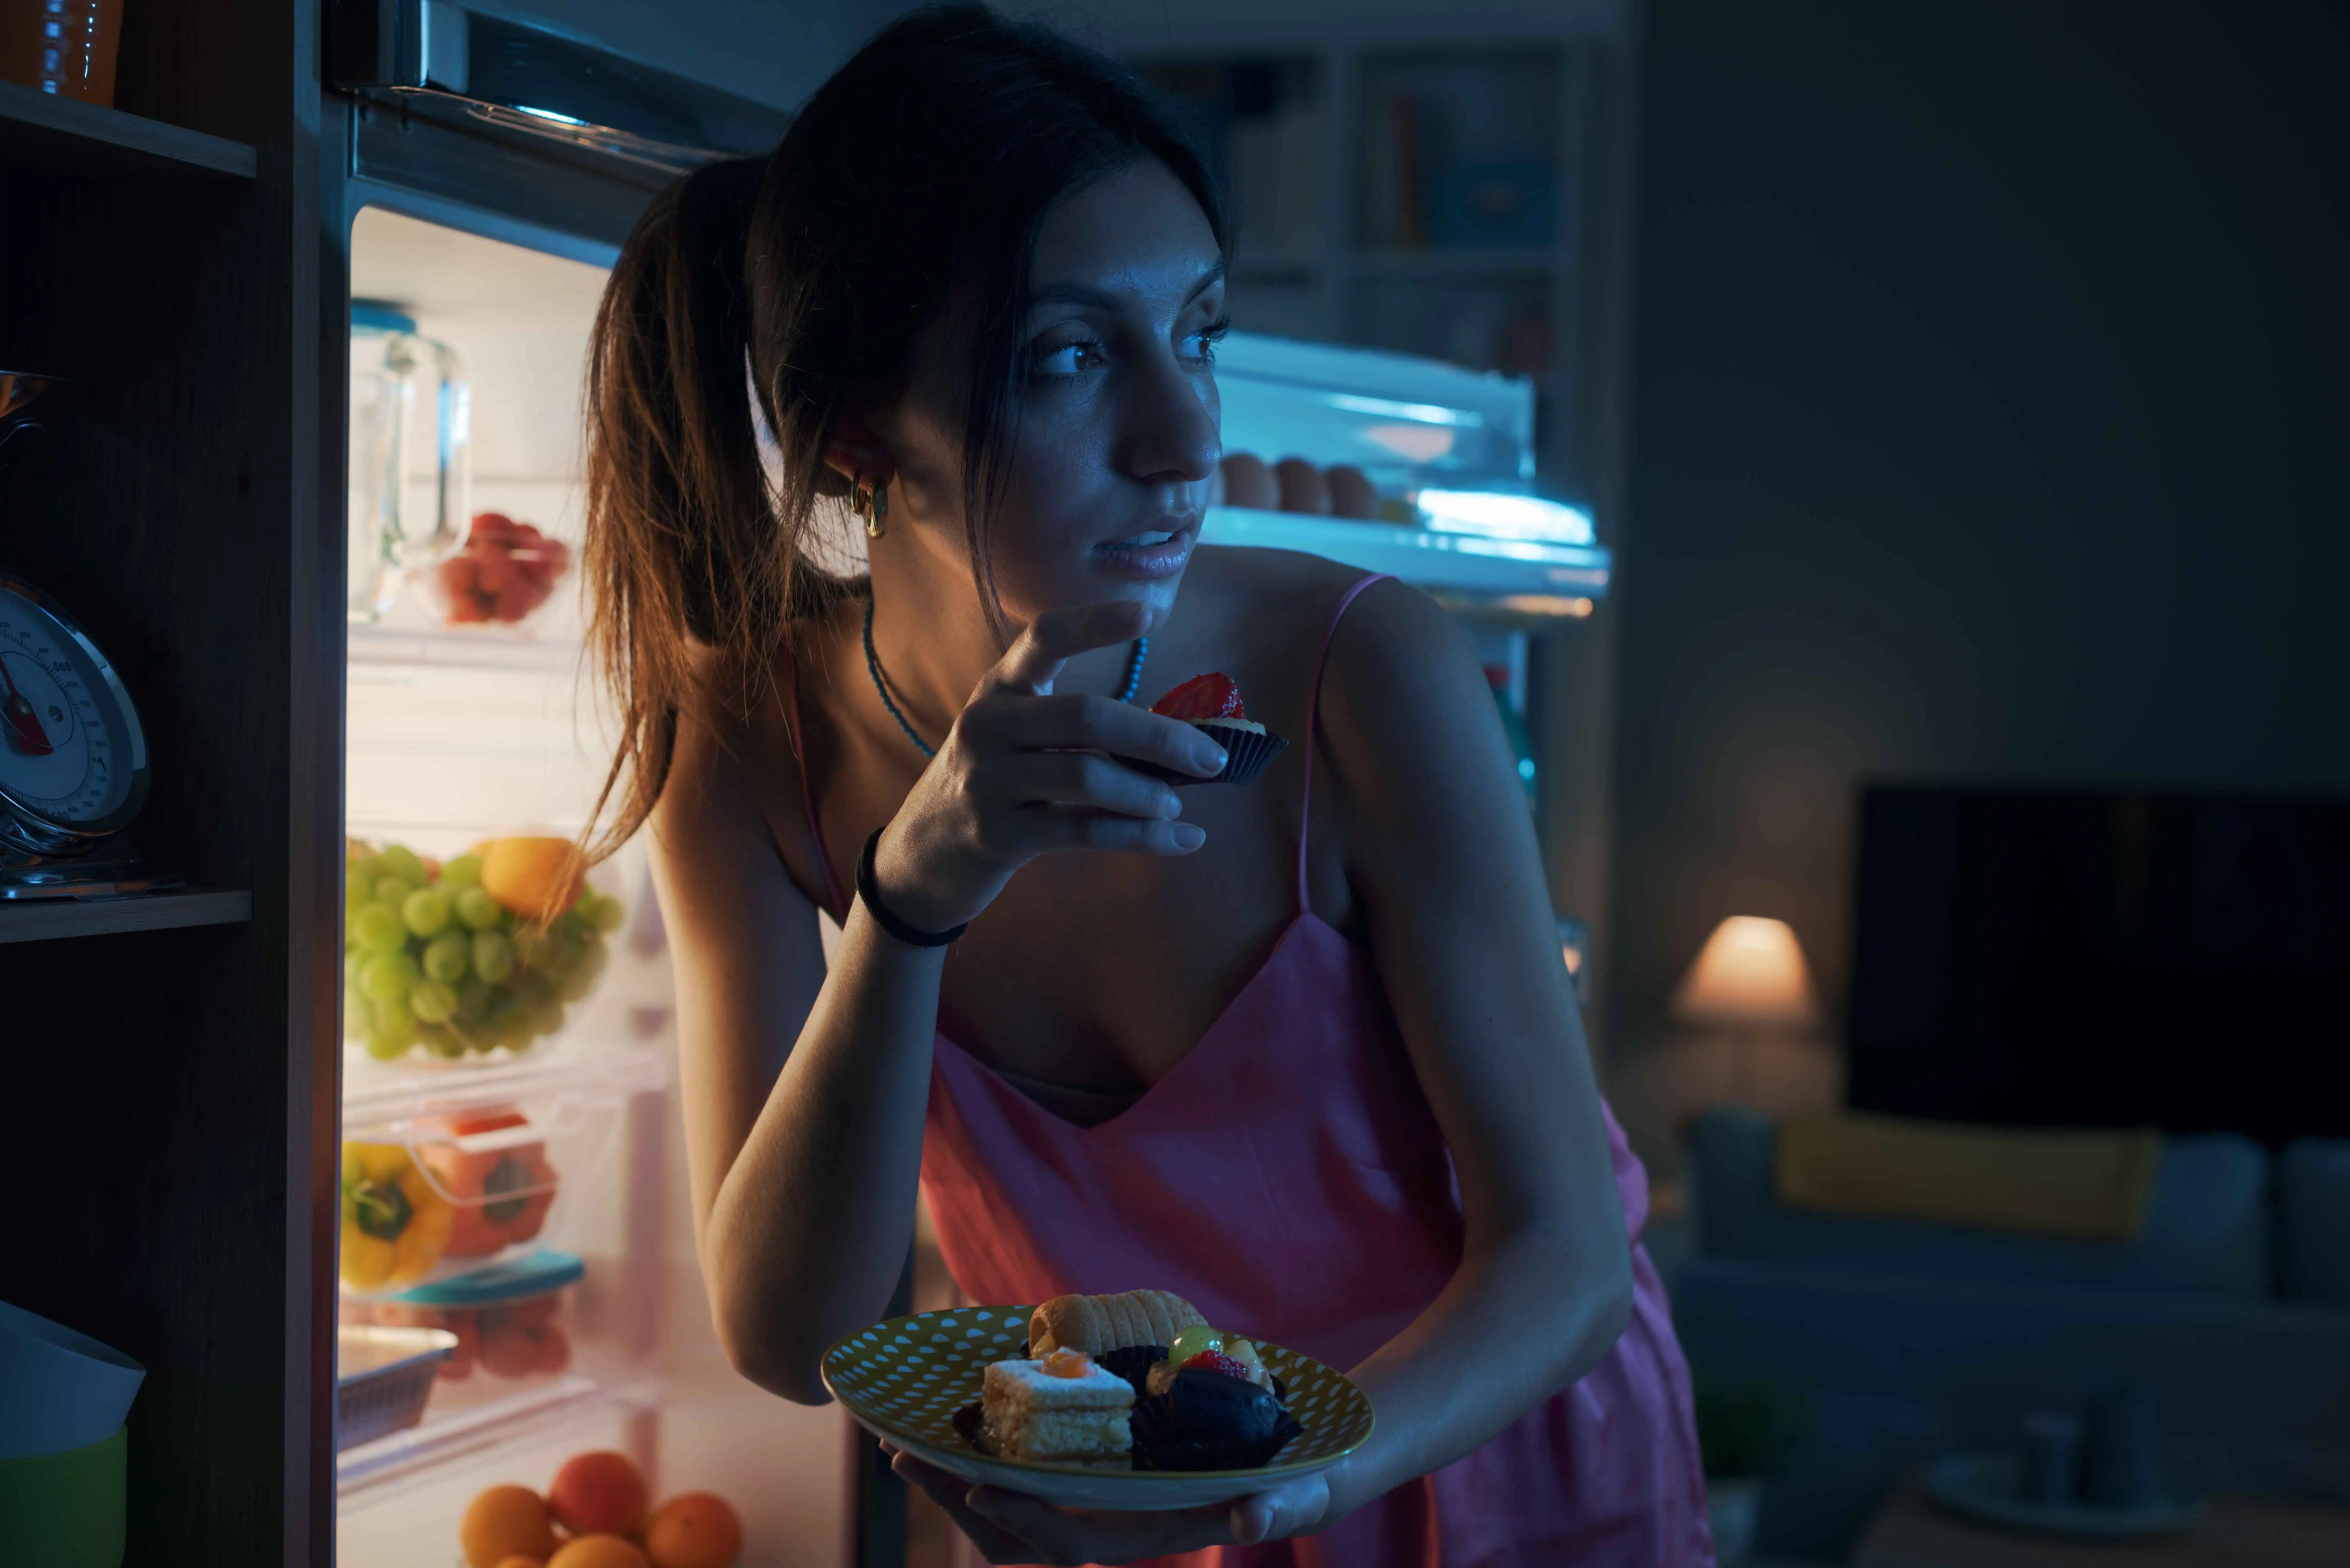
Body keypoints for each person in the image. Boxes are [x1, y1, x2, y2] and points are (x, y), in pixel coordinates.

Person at [582, 6, 1710, 1564]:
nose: (1186, 440)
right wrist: (909, 904)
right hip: (1142, 1509)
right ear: (854, 431)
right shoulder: (759, 752)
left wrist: (1263, 1497)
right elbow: (790, 1339)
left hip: (1491, 1459)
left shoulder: (1361, 673)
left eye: (1197, 333)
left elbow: (1564, 1259)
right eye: (1067, 355)